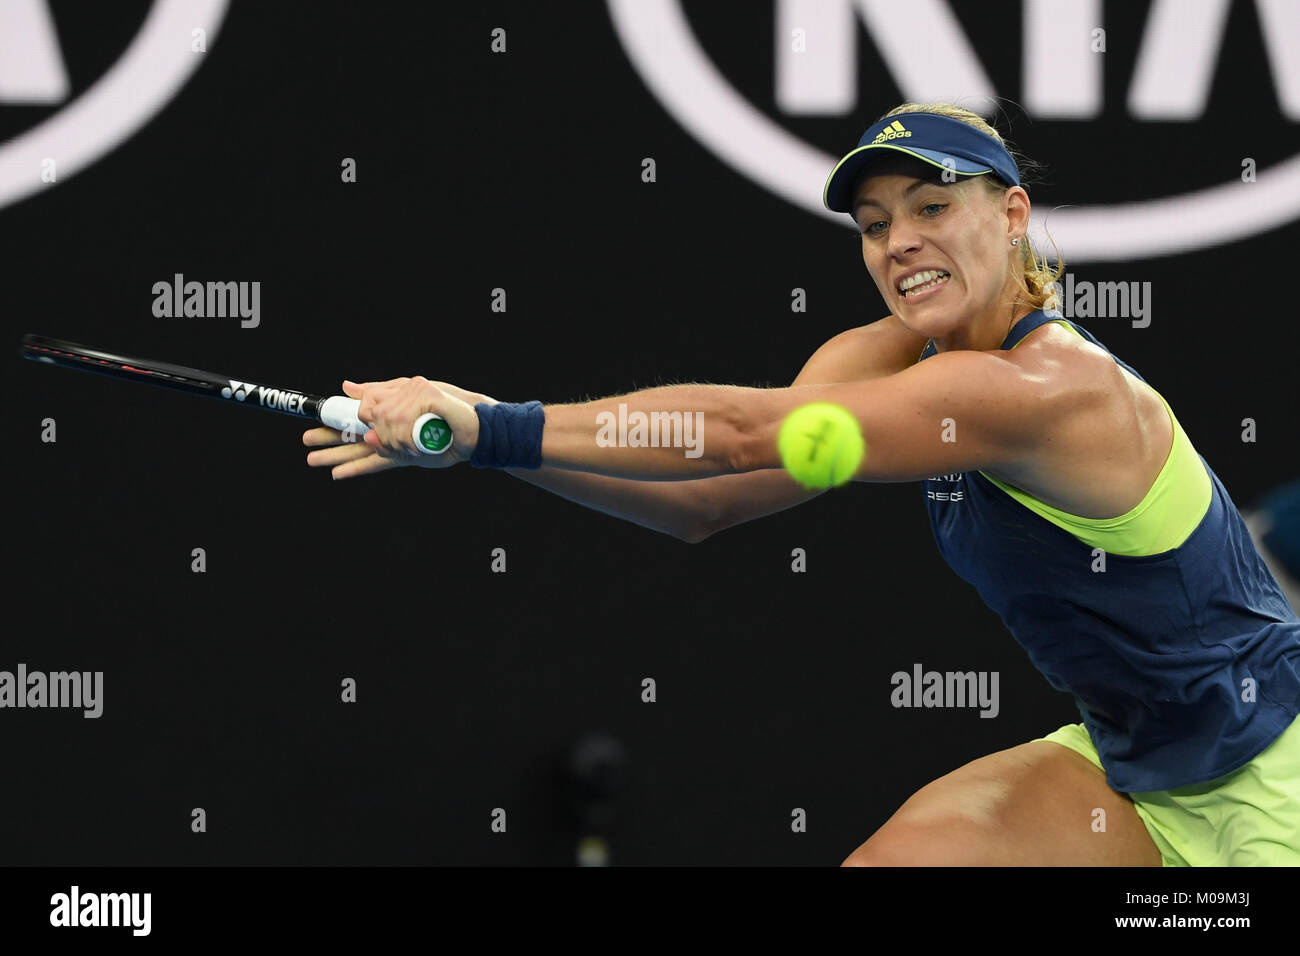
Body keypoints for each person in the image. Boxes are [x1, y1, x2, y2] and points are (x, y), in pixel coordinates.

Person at [302, 103, 1300, 866]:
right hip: (1132, 761)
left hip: (1275, 768)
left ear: (1011, 215)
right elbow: (710, 498)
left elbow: (744, 432)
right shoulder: (892, 355)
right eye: (873, 224)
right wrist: (489, 441)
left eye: (930, 206)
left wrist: (498, 422)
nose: (898, 239)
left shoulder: (1046, 389)